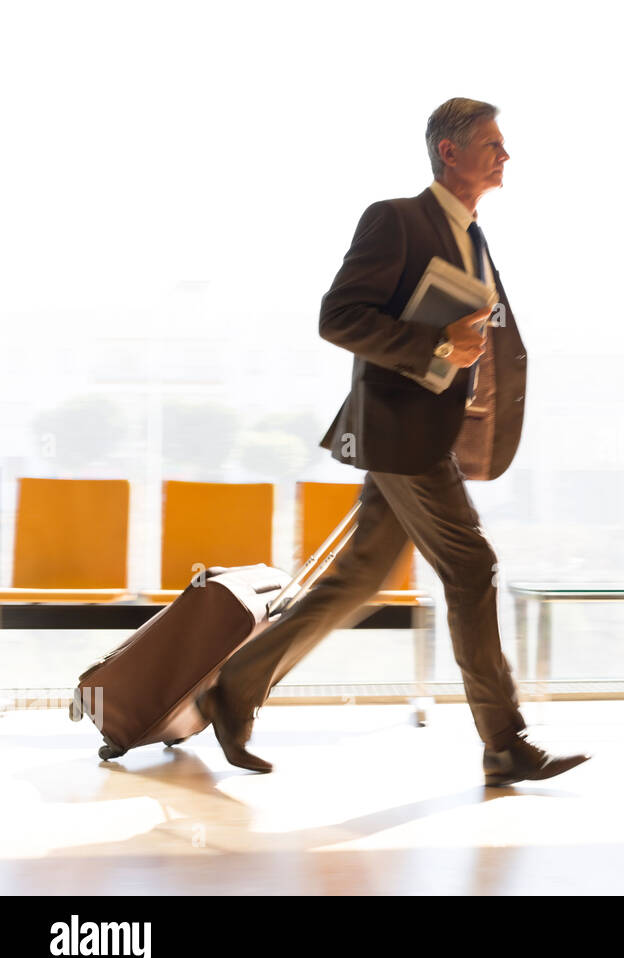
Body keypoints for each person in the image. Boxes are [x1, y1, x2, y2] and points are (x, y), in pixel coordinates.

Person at [196, 97, 590, 786]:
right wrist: (436, 341)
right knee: (472, 568)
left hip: (424, 432)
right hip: (399, 432)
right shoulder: (397, 219)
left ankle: (233, 687)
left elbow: (477, 343)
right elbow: (340, 316)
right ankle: (505, 739)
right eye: (492, 143)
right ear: (449, 151)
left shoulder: (474, 236)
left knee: (360, 579)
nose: (505, 155)